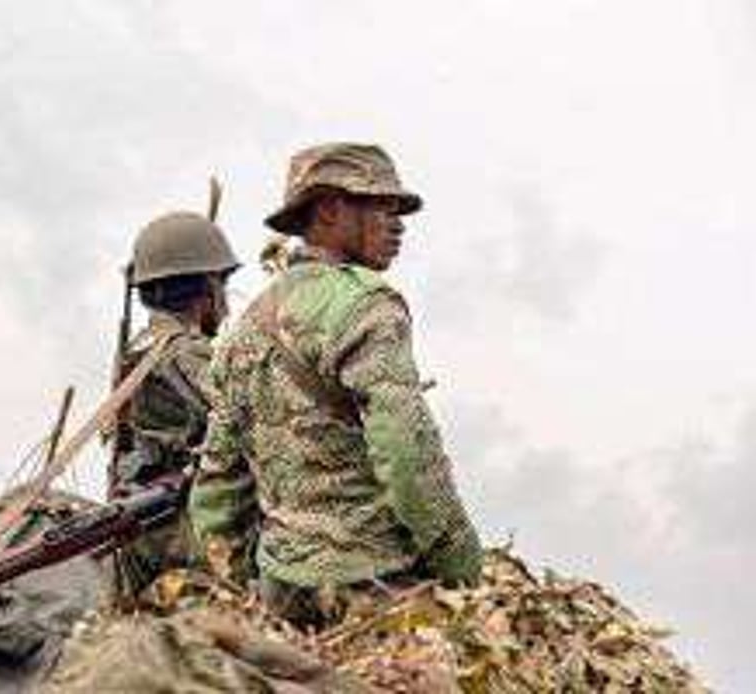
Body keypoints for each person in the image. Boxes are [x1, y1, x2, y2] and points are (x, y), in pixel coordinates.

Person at [188, 143, 483, 628]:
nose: (398, 223)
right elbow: (407, 454)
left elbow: (218, 487)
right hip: (376, 586)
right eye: (380, 206)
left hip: (283, 592)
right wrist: (467, 572)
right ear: (328, 209)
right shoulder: (367, 306)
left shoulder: (243, 330)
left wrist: (245, 599)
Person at [108, 210, 240, 599]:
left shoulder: (138, 351)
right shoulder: (187, 353)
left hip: (142, 522)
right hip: (182, 525)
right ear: (207, 290)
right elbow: (256, 422)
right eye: (222, 285)